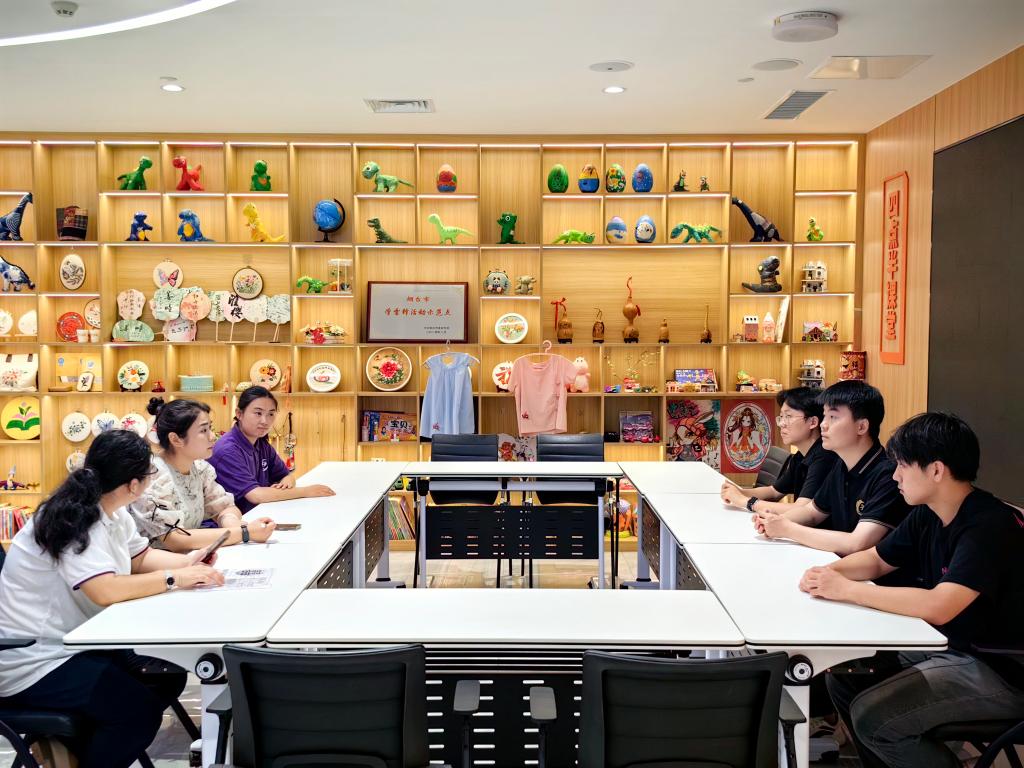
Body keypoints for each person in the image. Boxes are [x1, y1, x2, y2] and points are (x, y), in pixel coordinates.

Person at [800, 412, 1024, 768]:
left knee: (874, 718)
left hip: (1003, 671)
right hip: (950, 647)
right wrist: (826, 573)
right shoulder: (930, 512)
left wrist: (846, 589)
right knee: (845, 675)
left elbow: (939, 606)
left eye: (903, 465)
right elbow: (876, 560)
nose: (895, 476)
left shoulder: (988, 525)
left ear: (936, 470)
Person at [0, 430, 224, 768]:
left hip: (78, 644)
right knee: (136, 712)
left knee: (167, 676)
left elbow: (140, 558)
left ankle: (70, 749)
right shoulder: (74, 519)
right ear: (133, 485)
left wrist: (189, 562)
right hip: (35, 660)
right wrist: (174, 578)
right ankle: (78, 752)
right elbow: (104, 590)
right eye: (150, 473)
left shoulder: (113, 511)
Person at [753, 380, 910, 555]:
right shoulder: (841, 465)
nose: (823, 424)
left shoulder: (888, 474)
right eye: (824, 415)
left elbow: (857, 543)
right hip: (835, 561)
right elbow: (812, 513)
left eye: (833, 417)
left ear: (862, 426)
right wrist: (774, 521)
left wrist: (787, 529)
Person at [131, 397, 276, 550]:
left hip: (191, 557)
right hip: (158, 561)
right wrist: (244, 533)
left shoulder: (200, 468)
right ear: (175, 439)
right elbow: (174, 539)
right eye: (203, 430)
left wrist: (232, 523)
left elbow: (224, 507)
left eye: (210, 428)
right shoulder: (153, 476)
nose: (213, 436)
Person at [208, 386, 334, 514]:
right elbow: (255, 495)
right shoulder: (227, 450)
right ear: (239, 414)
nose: (265, 421)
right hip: (234, 521)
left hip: (261, 513)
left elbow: (286, 475)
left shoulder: (261, 443)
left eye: (271, 414)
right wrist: (306, 491)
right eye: (258, 413)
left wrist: (285, 484)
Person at [721, 387, 837, 515]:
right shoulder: (801, 456)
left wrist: (745, 501)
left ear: (813, 422)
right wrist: (739, 492)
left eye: (788, 416)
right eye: (781, 417)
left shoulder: (825, 457)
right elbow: (774, 492)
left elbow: (801, 509)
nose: (781, 423)